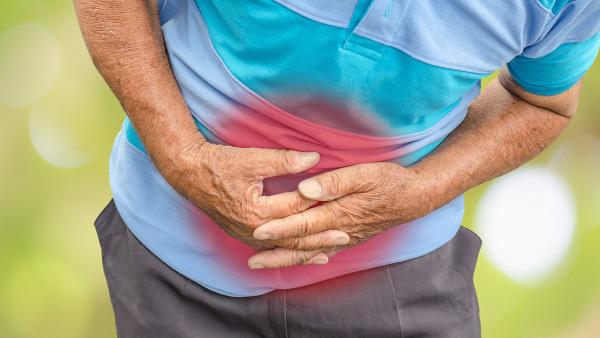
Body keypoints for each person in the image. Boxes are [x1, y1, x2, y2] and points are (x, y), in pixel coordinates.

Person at [74, 0, 600, 337]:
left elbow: (543, 102)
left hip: (403, 282)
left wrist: (420, 189)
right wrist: (182, 156)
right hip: (169, 263)